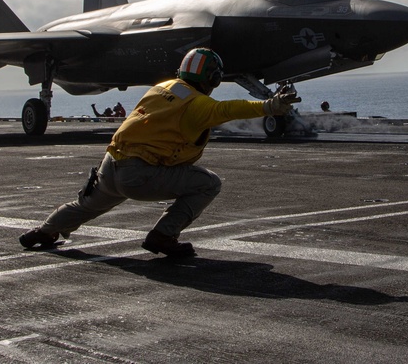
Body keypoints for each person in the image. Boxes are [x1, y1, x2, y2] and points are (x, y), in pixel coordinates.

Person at [19, 47, 300, 257]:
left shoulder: (162, 87)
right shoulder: (197, 103)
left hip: (110, 165)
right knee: (209, 183)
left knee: (86, 206)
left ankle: (44, 230)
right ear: (211, 79)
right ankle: (163, 236)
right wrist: (270, 106)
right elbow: (226, 109)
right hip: (140, 175)